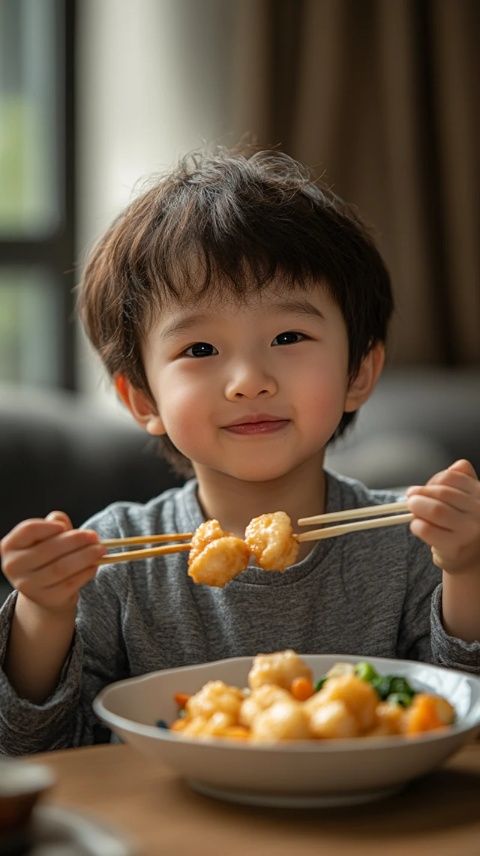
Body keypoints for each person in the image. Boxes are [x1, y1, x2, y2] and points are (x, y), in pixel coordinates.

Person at [0, 148, 479, 755]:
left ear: (359, 370)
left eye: (288, 336)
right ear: (142, 398)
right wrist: (43, 612)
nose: (249, 380)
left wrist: (467, 567)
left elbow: (461, 726)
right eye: (200, 349)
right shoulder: (113, 559)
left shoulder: (411, 542)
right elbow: (34, 748)